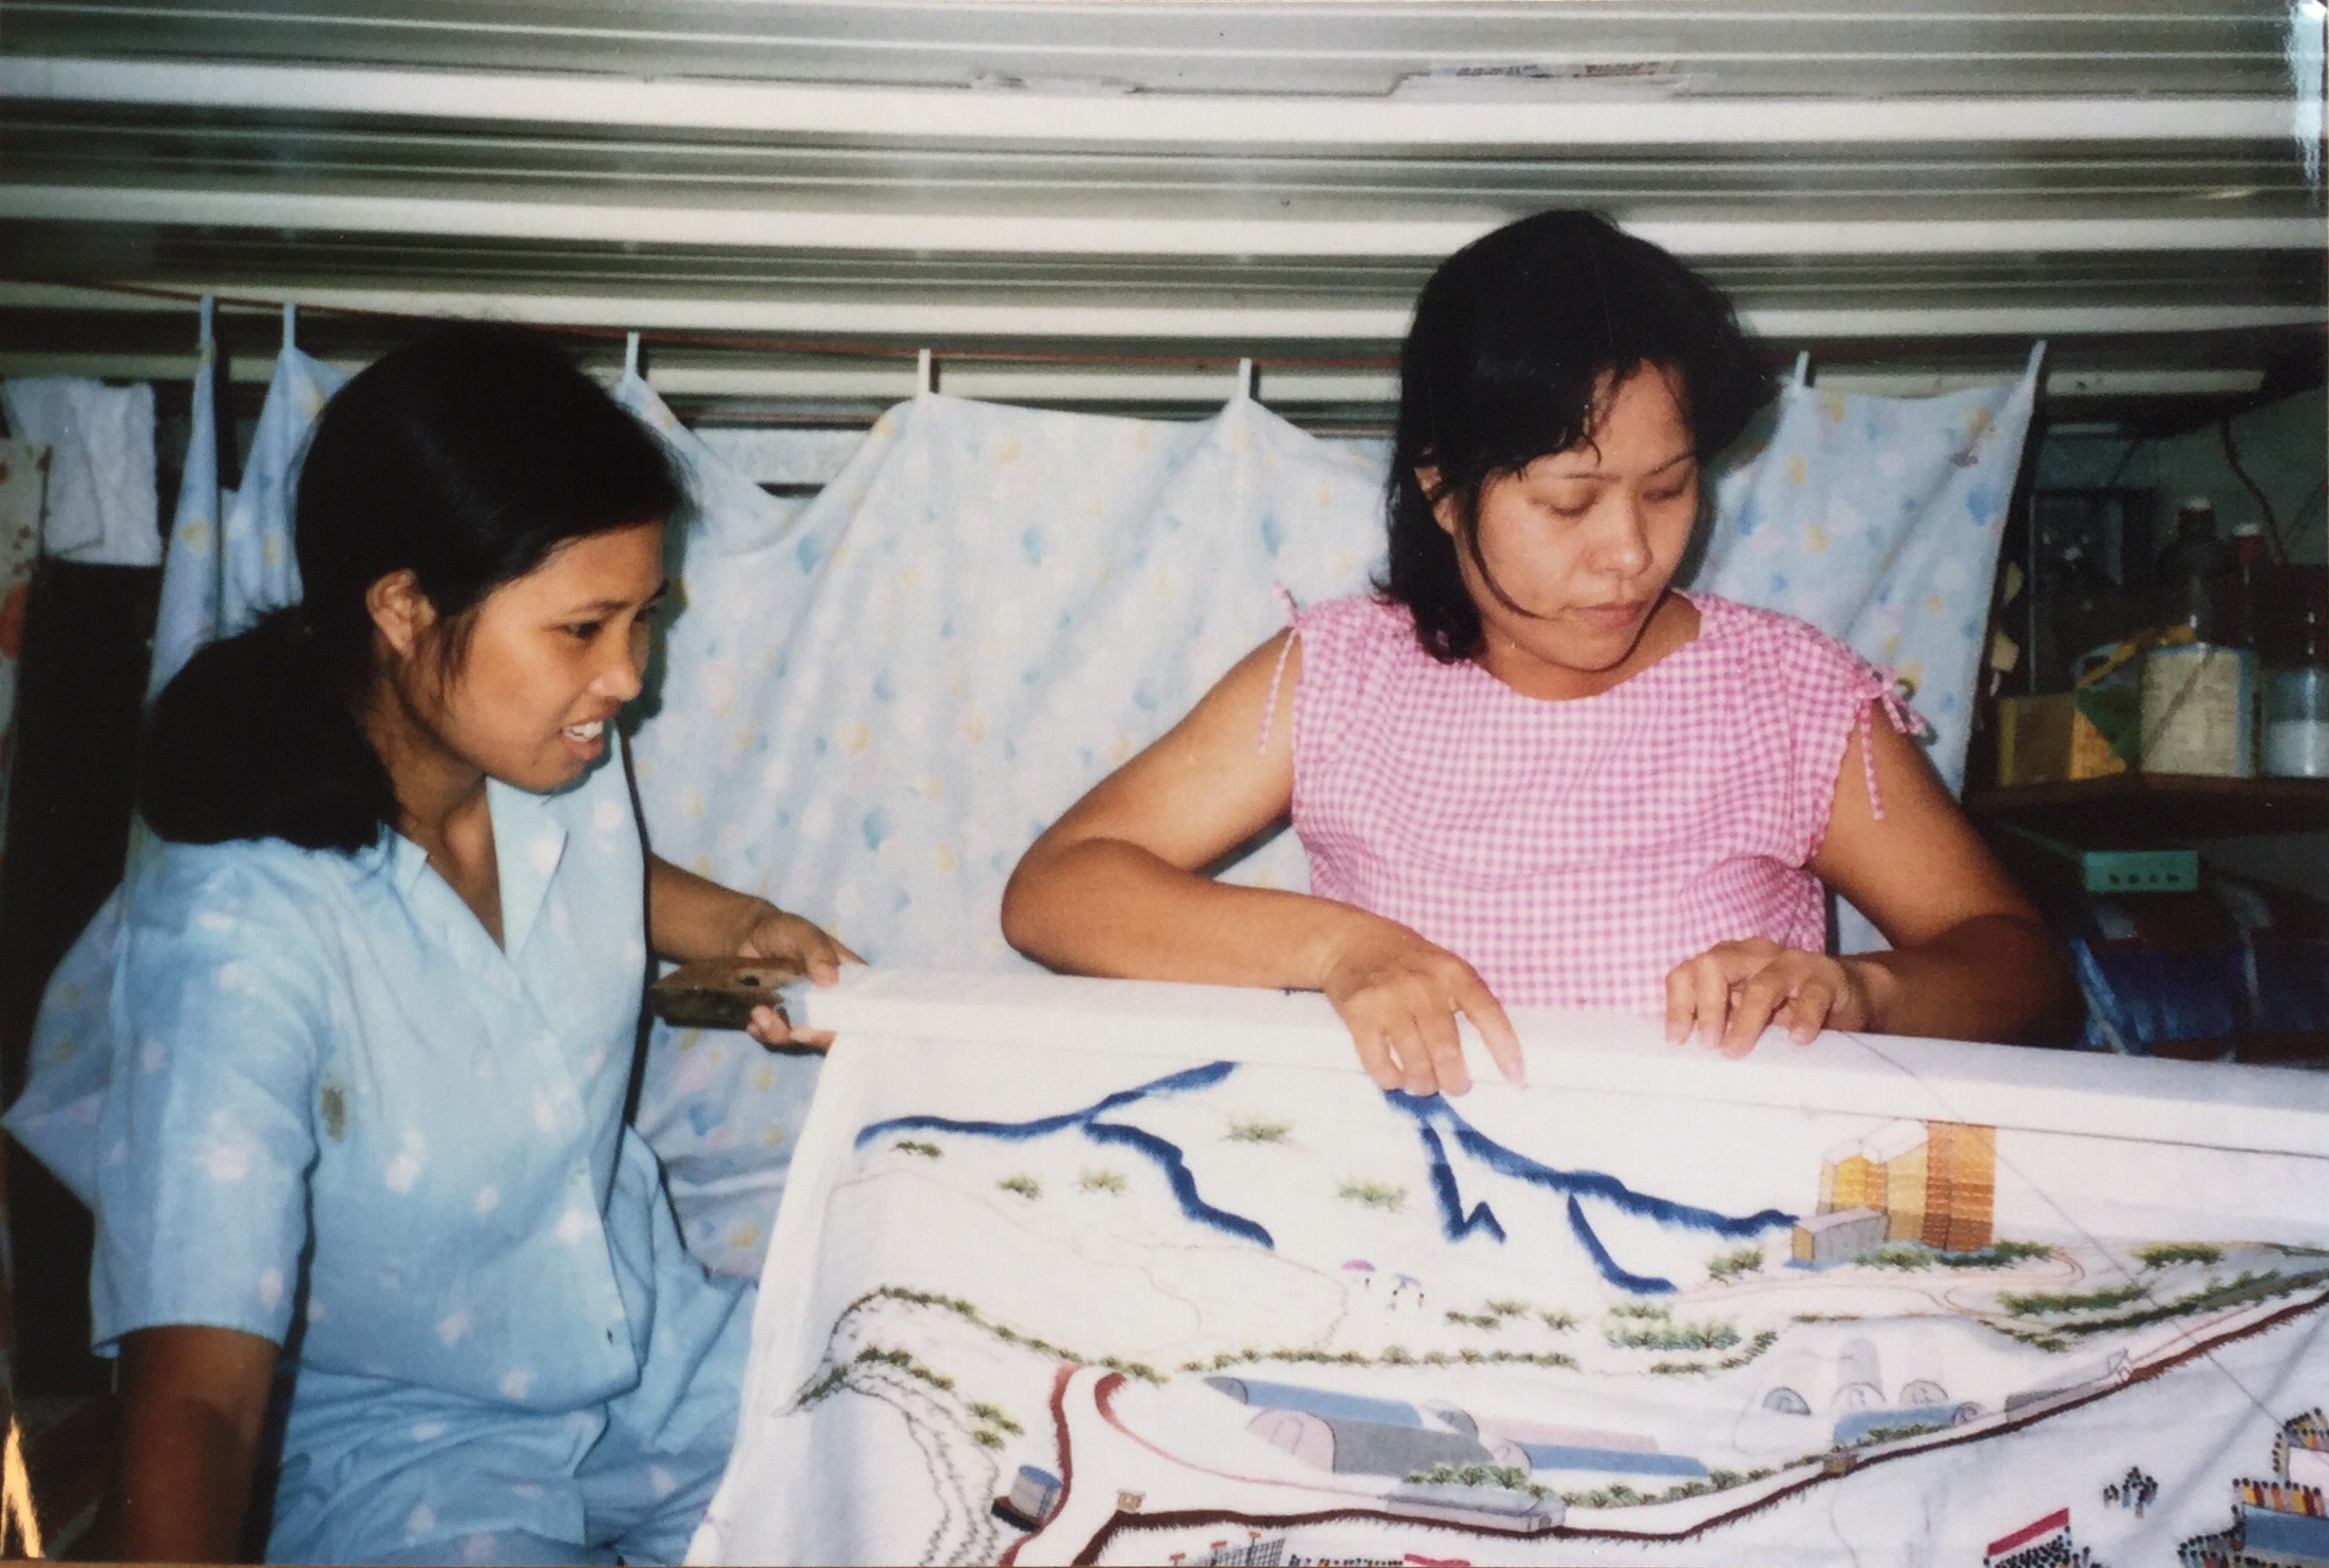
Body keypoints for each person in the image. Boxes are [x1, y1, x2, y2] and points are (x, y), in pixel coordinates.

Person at [7, 325, 852, 1563]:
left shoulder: (542, 748)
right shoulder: (239, 937)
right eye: (583, 629)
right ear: (404, 608)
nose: (628, 677)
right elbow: (195, 1386)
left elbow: (594, 865)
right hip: (420, 1443)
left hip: (657, 1360)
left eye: (644, 617)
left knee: (970, 1465)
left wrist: (731, 925)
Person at [1002, 210, 2067, 1097]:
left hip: (1725, 1215)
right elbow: (1058, 891)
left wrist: (1864, 991)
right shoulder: (1334, 681)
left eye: (1669, 488)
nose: (1633, 554)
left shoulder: (1787, 697)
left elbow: (2019, 963)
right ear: (1442, 485)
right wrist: (1337, 950)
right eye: (1570, 502)